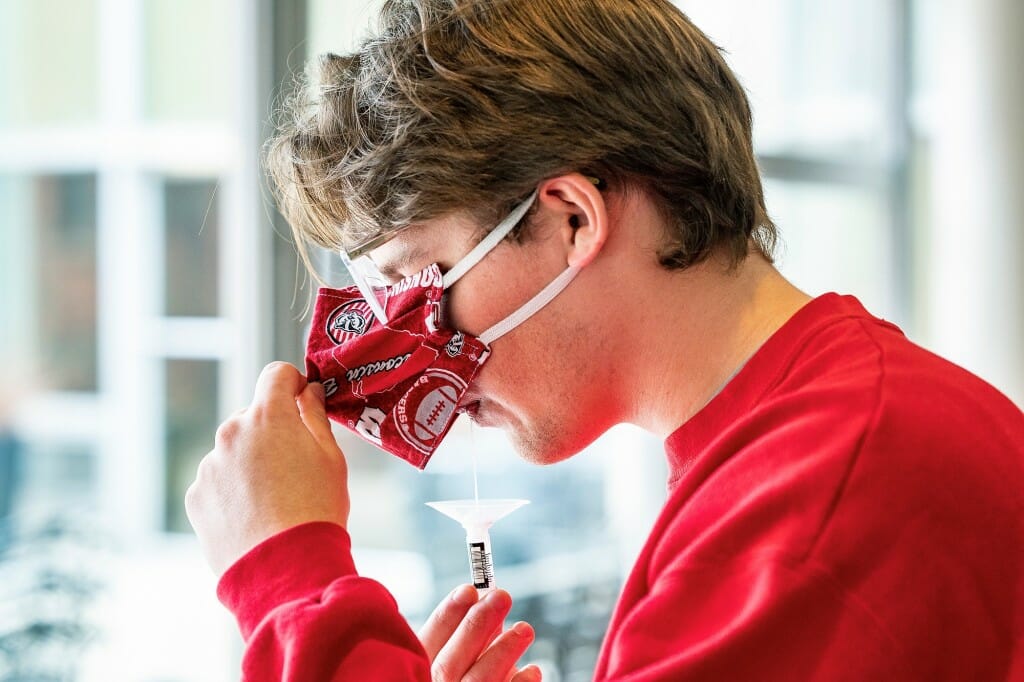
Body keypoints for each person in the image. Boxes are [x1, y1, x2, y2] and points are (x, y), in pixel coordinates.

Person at [185, 0, 1024, 679]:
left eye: (420, 282)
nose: (407, 359)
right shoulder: (804, 445)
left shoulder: (818, 501)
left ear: (572, 219)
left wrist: (290, 580)